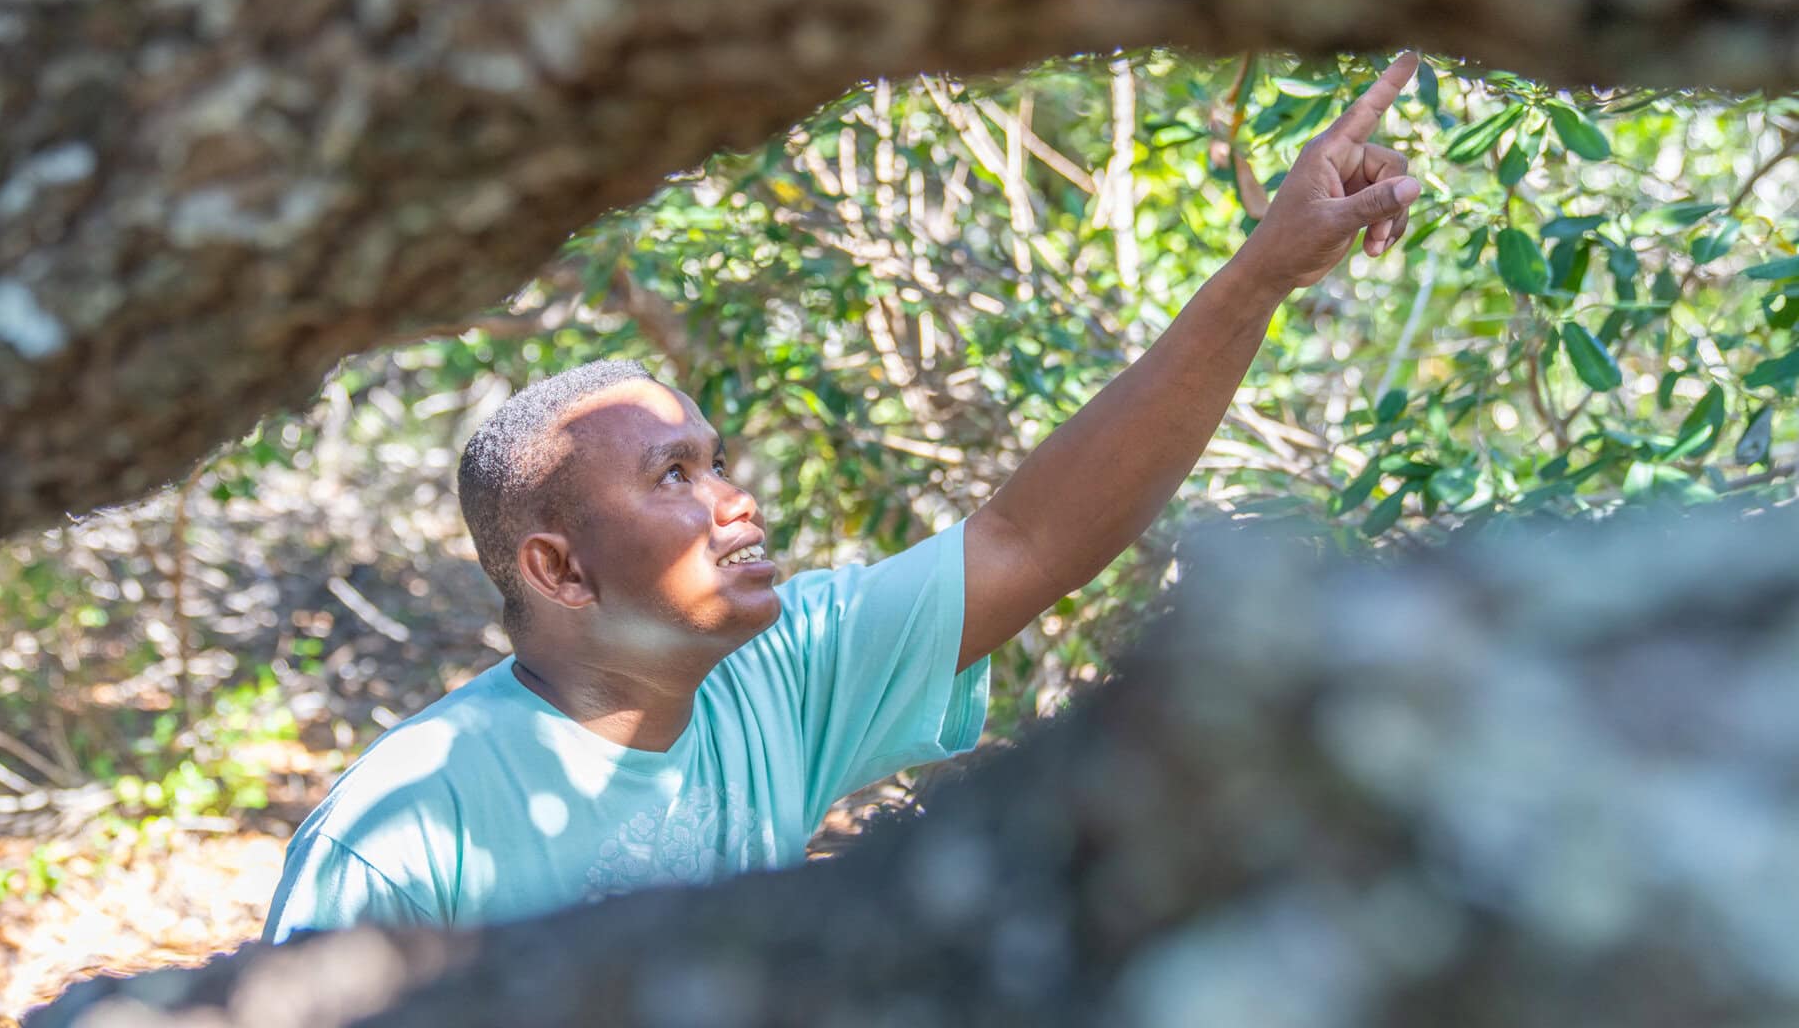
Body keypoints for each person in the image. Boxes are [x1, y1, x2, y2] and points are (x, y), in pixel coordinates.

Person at [262, 54, 1423, 941]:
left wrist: (1262, 273)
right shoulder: (405, 834)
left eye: (715, 459)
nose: (736, 500)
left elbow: (1032, 539)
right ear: (559, 570)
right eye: (675, 476)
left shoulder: (770, 681)